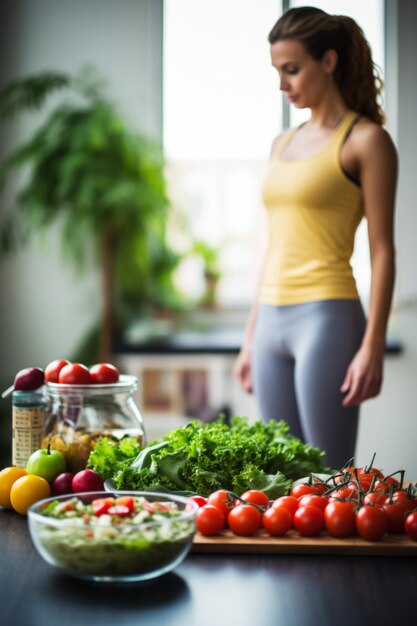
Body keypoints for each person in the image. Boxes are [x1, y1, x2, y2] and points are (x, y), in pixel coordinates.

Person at [233, 6, 398, 469]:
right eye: (277, 72)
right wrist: (249, 339)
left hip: (327, 316)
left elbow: (383, 250)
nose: (282, 85)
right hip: (270, 320)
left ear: (328, 61)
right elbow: (275, 246)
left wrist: (373, 345)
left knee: (328, 477)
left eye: (291, 70)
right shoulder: (281, 144)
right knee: (281, 479)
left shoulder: (365, 141)